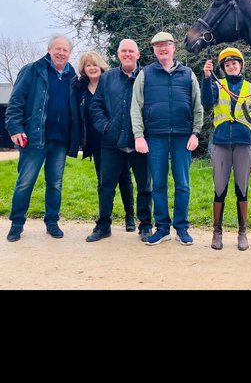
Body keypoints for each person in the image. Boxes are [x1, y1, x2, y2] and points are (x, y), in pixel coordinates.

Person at [5, 34, 80, 241]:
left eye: (65, 50)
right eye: (57, 48)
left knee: (55, 183)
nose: (61, 53)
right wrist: (14, 128)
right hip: (35, 138)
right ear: (49, 50)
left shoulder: (72, 77)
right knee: (25, 182)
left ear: (69, 54)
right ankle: (17, 224)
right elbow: (16, 102)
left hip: (60, 140)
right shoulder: (33, 70)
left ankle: (52, 222)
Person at [131, 32, 203, 245]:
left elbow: (197, 106)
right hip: (155, 137)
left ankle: (182, 227)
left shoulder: (188, 74)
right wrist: (138, 136)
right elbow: (136, 107)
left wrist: (195, 133)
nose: (163, 49)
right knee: (158, 184)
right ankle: (162, 228)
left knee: (183, 184)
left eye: (167, 45)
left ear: (173, 48)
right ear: (153, 50)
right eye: (158, 46)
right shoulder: (145, 74)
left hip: (183, 137)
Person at [201, 47, 251, 251]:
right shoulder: (217, 85)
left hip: (243, 143)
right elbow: (207, 102)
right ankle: (217, 232)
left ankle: (242, 232)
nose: (231, 67)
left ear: (241, 65)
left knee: (242, 189)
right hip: (221, 143)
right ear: (223, 68)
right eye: (227, 65)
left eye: (234, 63)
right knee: (220, 189)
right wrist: (206, 77)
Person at [87, 39, 153, 242]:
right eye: (123, 51)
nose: (127, 54)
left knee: (144, 185)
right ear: (118, 54)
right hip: (112, 141)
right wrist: (105, 127)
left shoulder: (147, 77)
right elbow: (95, 106)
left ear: (138, 54)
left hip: (140, 140)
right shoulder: (107, 78)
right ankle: (103, 225)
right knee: (106, 184)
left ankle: (145, 225)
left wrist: (146, 131)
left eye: (131, 51)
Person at [72, 50, 135, 230]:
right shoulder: (80, 88)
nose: (92, 68)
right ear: (84, 69)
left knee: (124, 177)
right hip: (95, 141)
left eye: (95, 64)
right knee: (104, 180)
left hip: (115, 138)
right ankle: (104, 218)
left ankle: (130, 216)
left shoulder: (110, 82)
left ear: (101, 65)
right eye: (88, 65)